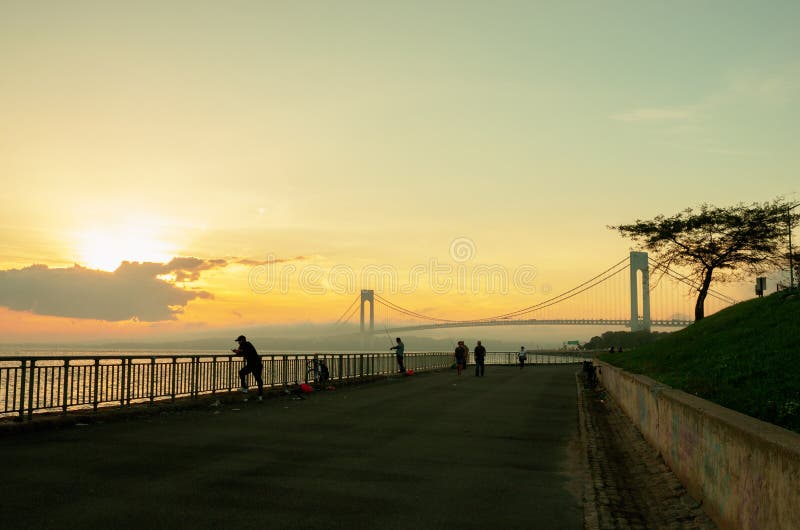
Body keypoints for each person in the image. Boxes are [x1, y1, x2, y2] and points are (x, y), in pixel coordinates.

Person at [232, 335, 264, 401]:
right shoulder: (243, 345)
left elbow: (245, 352)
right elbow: (240, 354)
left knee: (258, 379)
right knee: (242, 373)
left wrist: (238, 352)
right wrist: (236, 352)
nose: (238, 342)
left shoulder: (248, 344)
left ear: (242, 340)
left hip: (256, 364)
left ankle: (259, 394)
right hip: (252, 365)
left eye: (239, 341)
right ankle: (246, 388)